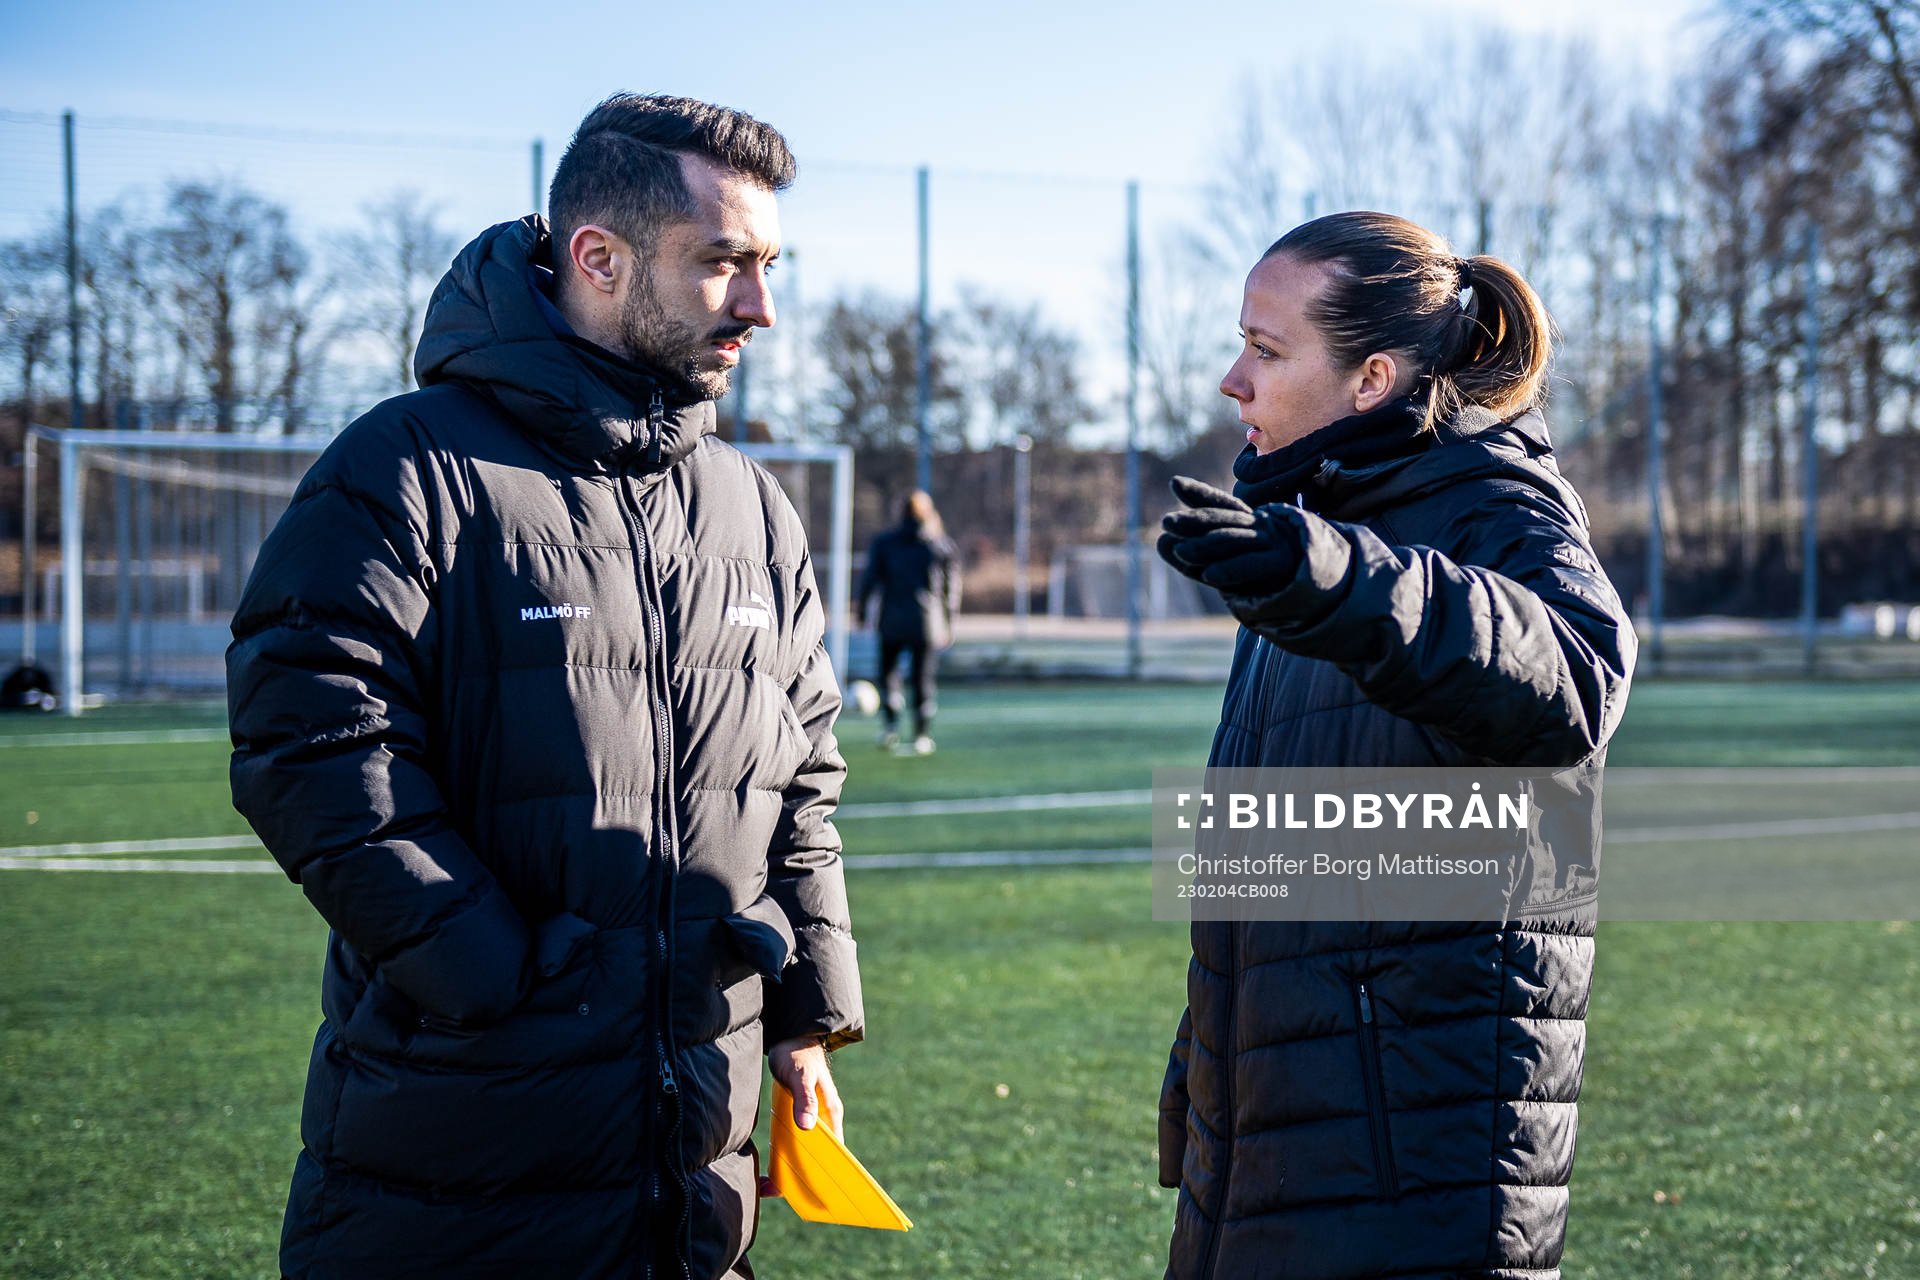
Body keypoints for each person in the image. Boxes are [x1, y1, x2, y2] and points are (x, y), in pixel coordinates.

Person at [226, 94, 863, 1280]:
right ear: (598, 257)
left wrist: (805, 1006)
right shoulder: (405, 466)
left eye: (768, 263)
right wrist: (489, 970)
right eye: (721, 261)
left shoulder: (751, 505)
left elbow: (804, 764)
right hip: (459, 1159)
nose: (760, 304)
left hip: (696, 1166)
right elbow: (306, 733)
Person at [1153, 212, 1635, 1279]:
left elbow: (1572, 680)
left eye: (1267, 350)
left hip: (1412, 1173)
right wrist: (1218, 1054)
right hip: (1276, 1139)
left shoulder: (1495, 511)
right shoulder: (1315, 528)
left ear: (1371, 379)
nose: (1235, 379)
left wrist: (1331, 574)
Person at [856, 490, 960, 754]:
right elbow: (950, 589)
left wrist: (861, 612)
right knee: (922, 677)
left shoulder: (885, 543)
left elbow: (870, 580)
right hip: (926, 622)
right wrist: (949, 622)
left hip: (891, 618)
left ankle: (890, 727)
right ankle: (922, 734)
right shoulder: (939, 545)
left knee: (889, 674)